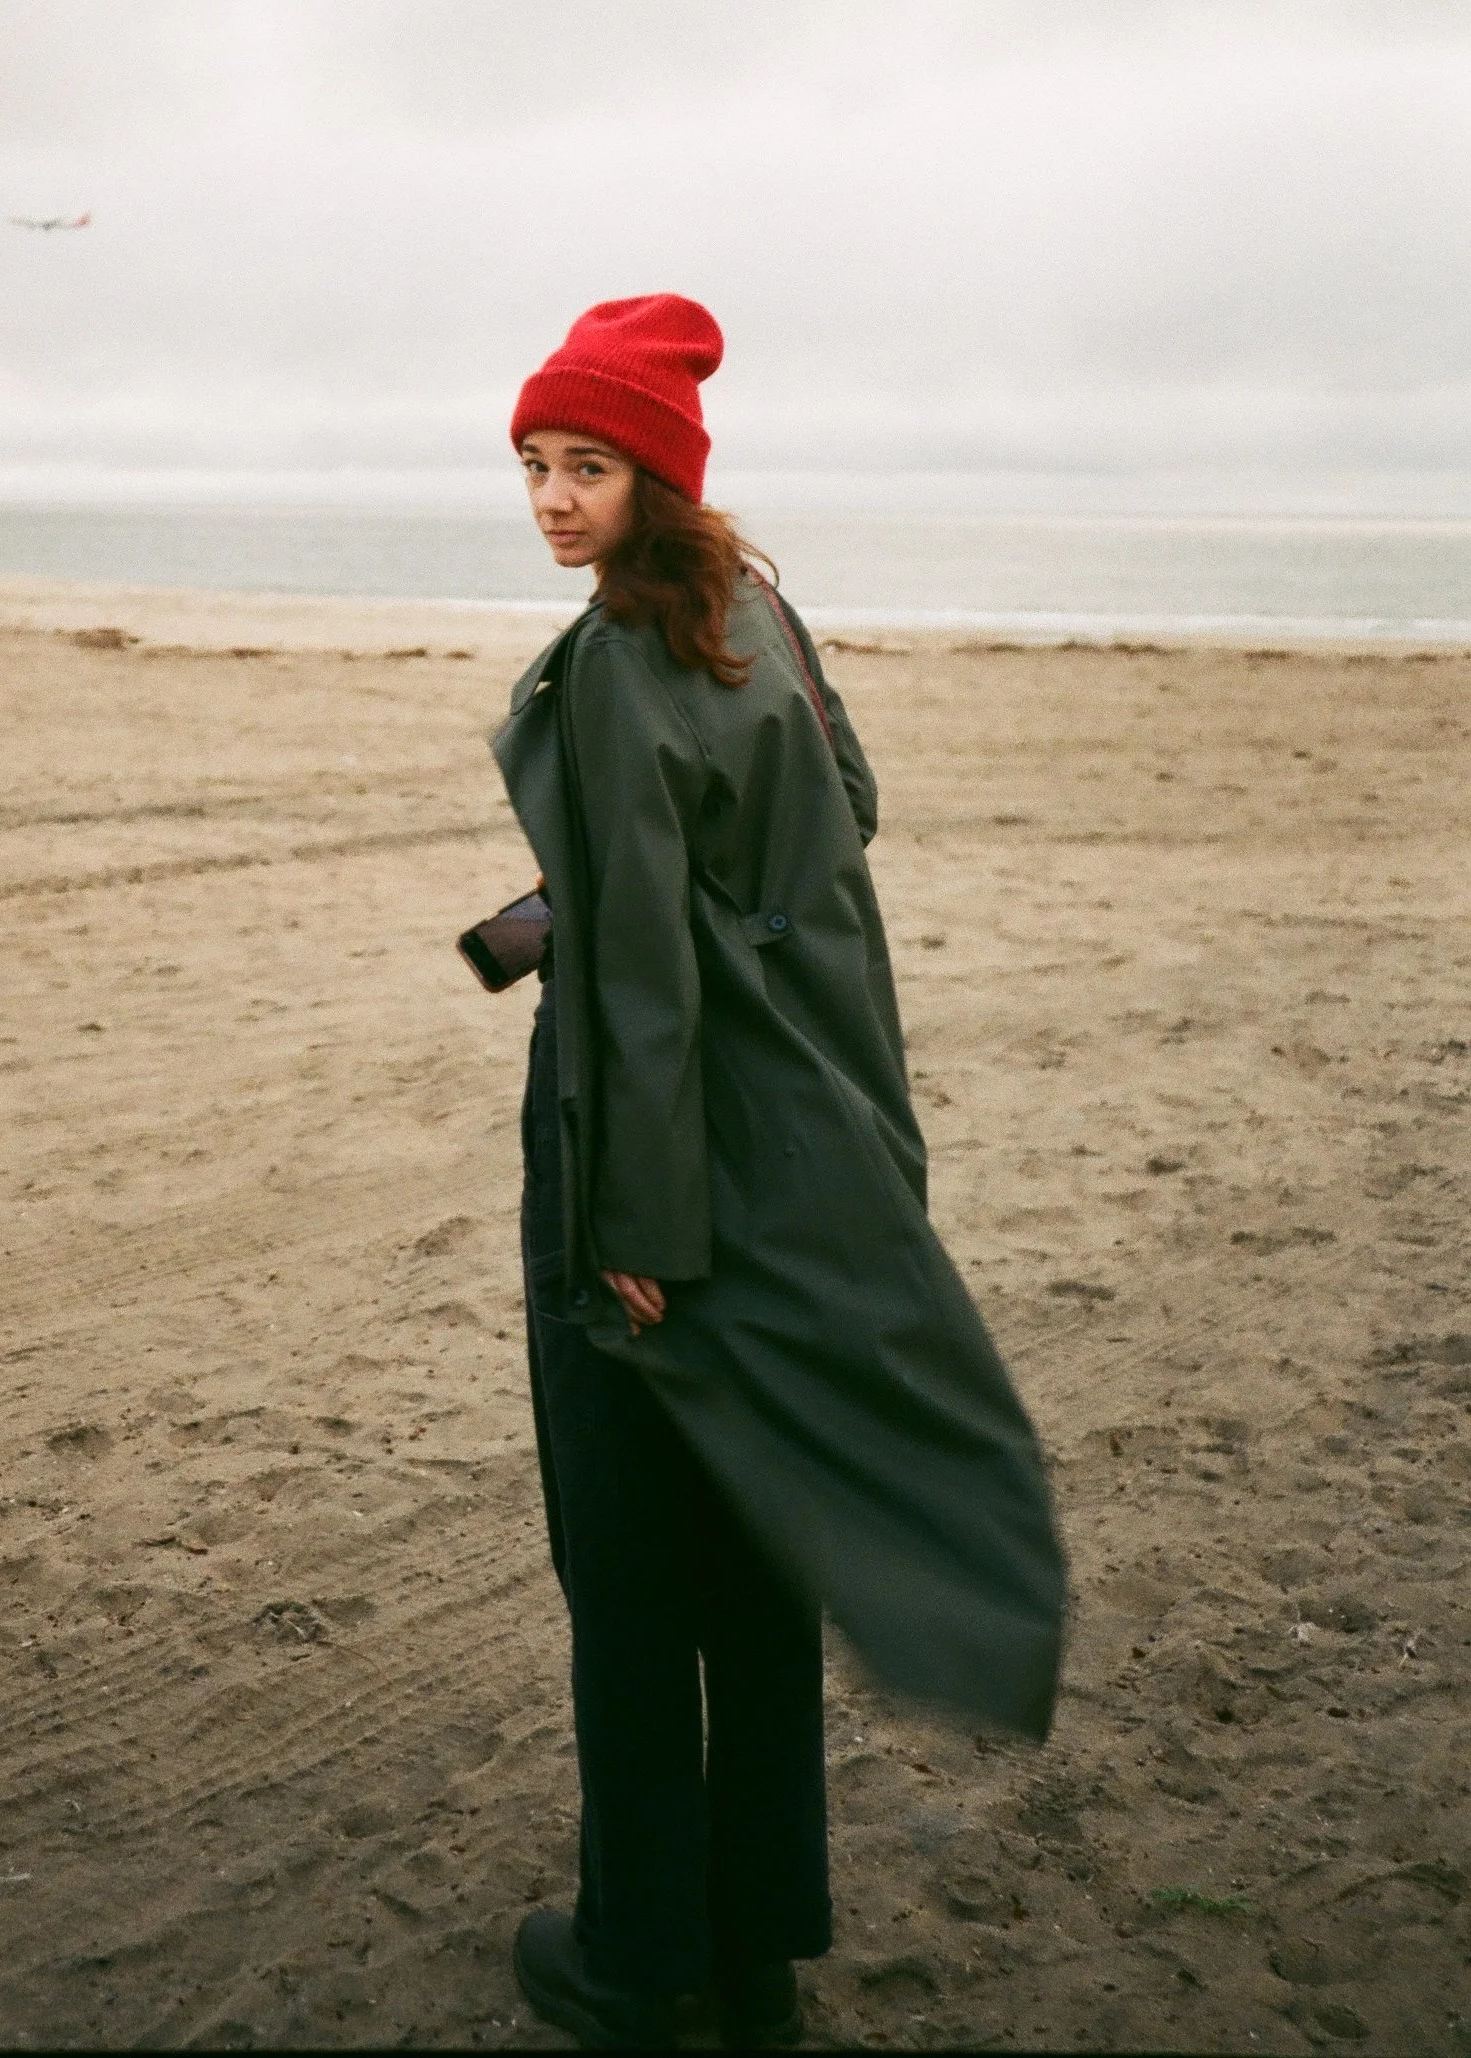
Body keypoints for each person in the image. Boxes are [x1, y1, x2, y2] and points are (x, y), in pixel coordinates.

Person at [491, 294, 1064, 2052]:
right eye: (531, 463)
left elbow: (648, 992)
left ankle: (636, 1950)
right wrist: (581, 902)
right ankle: (756, 1949)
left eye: (586, 463)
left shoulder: (605, 664)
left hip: (654, 1166)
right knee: (755, 1558)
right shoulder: (764, 619)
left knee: (631, 1574)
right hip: (817, 1135)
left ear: (656, 471)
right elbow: (843, 815)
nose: (553, 498)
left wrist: (635, 1235)